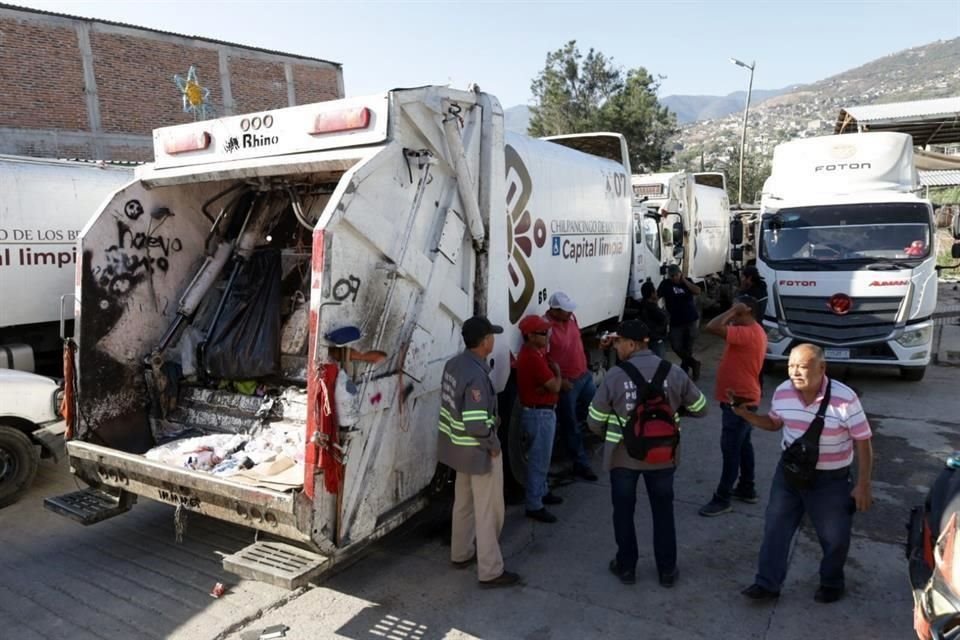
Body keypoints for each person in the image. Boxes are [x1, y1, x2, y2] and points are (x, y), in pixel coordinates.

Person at [735, 343, 873, 604]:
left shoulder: (845, 399)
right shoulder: (783, 392)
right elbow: (775, 423)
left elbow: (863, 441)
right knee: (775, 528)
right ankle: (766, 584)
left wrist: (863, 484)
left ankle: (832, 582)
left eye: (802, 366)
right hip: (789, 474)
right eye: (791, 366)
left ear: (822, 368)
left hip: (831, 480)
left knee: (834, 537)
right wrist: (747, 416)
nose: (795, 372)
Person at [587, 320, 708, 588]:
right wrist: (672, 411)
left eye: (618, 342)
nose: (616, 346)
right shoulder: (674, 372)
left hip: (623, 459)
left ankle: (627, 567)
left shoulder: (615, 376)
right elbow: (702, 407)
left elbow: (594, 420)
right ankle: (667, 570)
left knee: (623, 513)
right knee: (663, 513)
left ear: (632, 344)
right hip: (663, 457)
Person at [438, 316, 520, 588]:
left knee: (462, 504)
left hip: (458, 450)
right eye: (492, 337)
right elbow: (475, 422)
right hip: (478, 451)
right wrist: (493, 446)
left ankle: (460, 553)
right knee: (488, 511)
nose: (494, 340)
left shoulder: (454, 364)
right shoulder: (476, 375)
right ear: (485, 341)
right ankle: (491, 570)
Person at [698, 295, 768, 517]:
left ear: (745, 311)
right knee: (743, 445)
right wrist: (734, 311)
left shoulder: (747, 333)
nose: (731, 314)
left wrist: (731, 311)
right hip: (742, 398)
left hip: (740, 401)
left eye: (735, 310)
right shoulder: (751, 331)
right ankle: (747, 487)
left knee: (731, 450)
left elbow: (711, 326)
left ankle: (723, 497)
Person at [544, 292, 599, 482]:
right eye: (565, 311)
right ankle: (580, 463)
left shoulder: (572, 317)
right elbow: (543, 359)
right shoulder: (546, 328)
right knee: (571, 424)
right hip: (568, 383)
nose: (570, 313)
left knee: (596, 411)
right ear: (554, 310)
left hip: (583, 376)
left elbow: (577, 341)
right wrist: (559, 381)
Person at [516, 314, 564, 523]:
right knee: (539, 460)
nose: (547, 335)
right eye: (542, 333)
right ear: (530, 336)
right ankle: (534, 504)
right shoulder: (533, 358)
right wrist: (559, 375)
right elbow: (554, 385)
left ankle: (542, 491)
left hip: (540, 411)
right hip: (539, 414)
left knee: (541, 457)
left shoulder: (536, 354)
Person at [657, 265, 702, 380]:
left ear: (680, 274)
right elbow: (657, 295)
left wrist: (685, 281)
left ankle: (685, 369)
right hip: (676, 321)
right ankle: (694, 363)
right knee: (676, 346)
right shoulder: (666, 284)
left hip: (690, 319)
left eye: (675, 275)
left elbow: (697, 291)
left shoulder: (687, 282)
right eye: (671, 276)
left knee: (688, 347)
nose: (673, 278)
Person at [638, 280, 668, 358]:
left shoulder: (642, 305)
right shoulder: (652, 308)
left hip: (647, 339)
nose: (656, 292)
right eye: (655, 291)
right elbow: (664, 318)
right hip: (656, 340)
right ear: (652, 294)